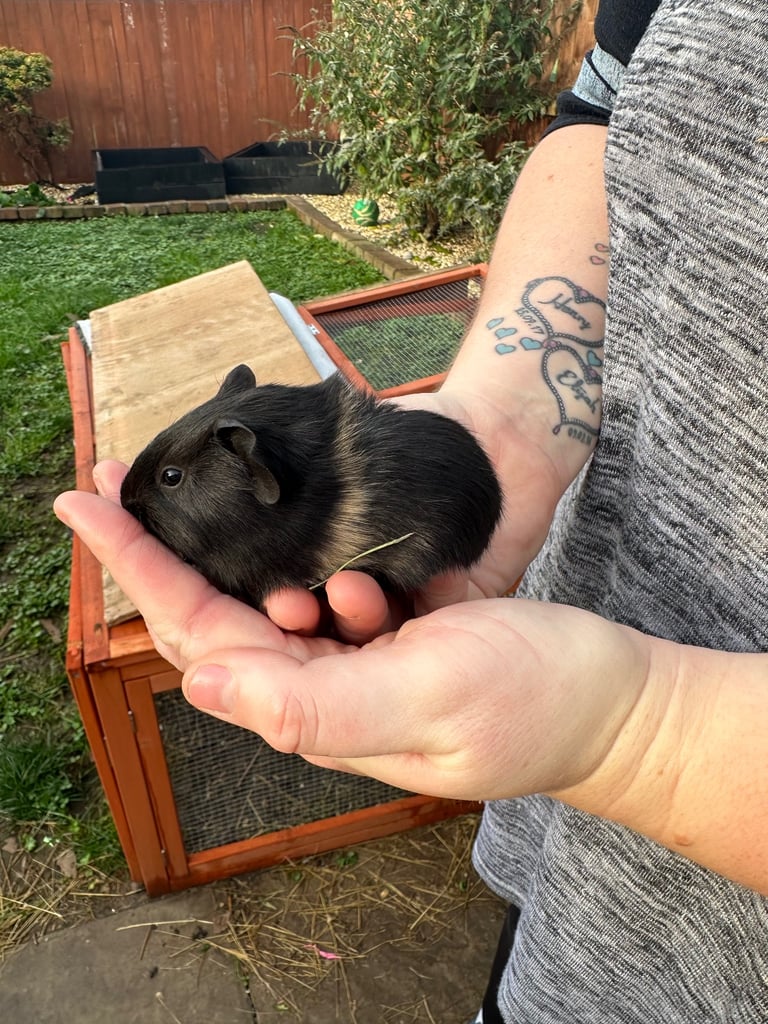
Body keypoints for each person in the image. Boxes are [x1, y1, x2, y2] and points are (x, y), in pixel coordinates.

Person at [55, 0, 768, 1019]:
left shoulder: (296, 508)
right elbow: (604, 115)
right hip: (576, 889)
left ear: (255, 469)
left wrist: (636, 730)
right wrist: (502, 410)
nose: (160, 490)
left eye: (174, 480)